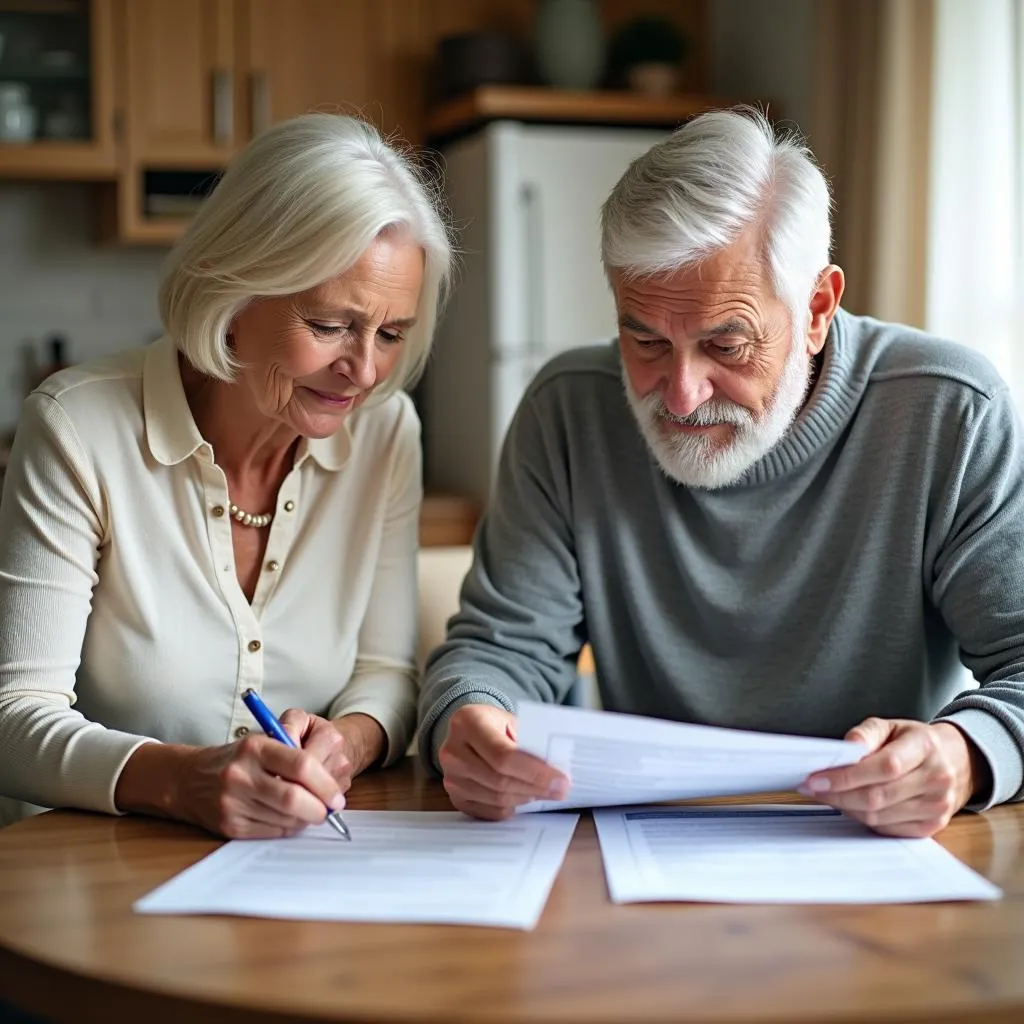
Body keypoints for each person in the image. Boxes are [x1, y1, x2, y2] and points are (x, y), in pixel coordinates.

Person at [419, 108, 1024, 838]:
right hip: (638, 846)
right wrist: (470, 716)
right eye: (644, 340)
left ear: (817, 310)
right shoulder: (568, 411)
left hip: (874, 850)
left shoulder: (948, 411)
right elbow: (500, 648)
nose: (679, 395)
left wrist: (964, 754)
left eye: (726, 345)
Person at [0, 113, 451, 837]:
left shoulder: (386, 435)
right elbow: (13, 721)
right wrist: (181, 781)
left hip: (293, 862)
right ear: (232, 293)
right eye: (331, 325)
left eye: (391, 334)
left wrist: (349, 743)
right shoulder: (76, 427)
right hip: (91, 868)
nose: (363, 371)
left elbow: (386, 674)